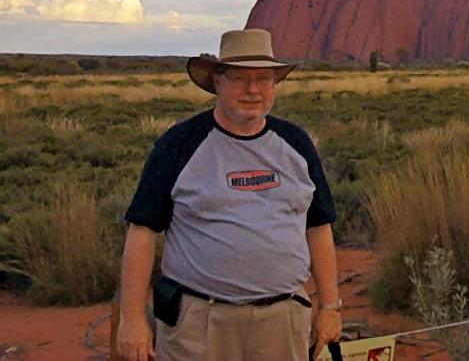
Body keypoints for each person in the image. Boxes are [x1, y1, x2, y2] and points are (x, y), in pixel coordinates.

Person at [116, 29, 342, 361]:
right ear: (217, 82)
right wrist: (132, 319)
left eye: (263, 79)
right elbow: (142, 231)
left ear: (275, 85)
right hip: (199, 324)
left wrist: (330, 305)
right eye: (240, 78)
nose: (253, 89)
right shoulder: (179, 144)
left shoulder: (296, 144)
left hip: (282, 321)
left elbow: (318, 227)